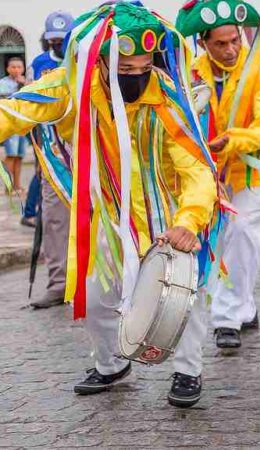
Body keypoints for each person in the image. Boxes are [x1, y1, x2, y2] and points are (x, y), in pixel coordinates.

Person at [0, 2, 220, 407]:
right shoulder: (71, 88)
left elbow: (196, 169)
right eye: (125, 69)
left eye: (143, 68)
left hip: (169, 212)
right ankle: (110, 364)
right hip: (109, 214)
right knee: (96, 295)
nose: (136, 77)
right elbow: (14, 110)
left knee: (187, 290)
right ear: (100, 61)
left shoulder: (169, 99)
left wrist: (190, 219)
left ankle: (188, 371)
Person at [176, 0, 260, 350]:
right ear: (203, 43)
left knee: (243, 234)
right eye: (220, 44)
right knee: (218, 243)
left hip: (251, 174)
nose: (230, 49)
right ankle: (245, 304)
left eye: (234, 40)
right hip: (208, 176)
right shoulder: (190, 73)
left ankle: (227, 319)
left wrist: (232, 141)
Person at [25, 11, 74, 309]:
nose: (57, 46)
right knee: (55, 221)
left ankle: (92, 282)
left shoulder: (83, 63)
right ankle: (58, 283)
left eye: (62, 41)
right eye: (53, 41)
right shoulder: (38, 66)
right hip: (52, 158)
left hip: (85, 153)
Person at [0, 57, 28, 193]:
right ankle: (7, 185)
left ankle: (17, 185)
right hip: (10, 124)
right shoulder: (3, 83)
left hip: (22, 124)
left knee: (20, 155)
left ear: (23, 68)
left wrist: (24, 84)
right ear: (7, 69)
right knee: (11, 155)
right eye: (13, 67)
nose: (16, 70)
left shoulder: (27, 82)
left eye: (19, 67)